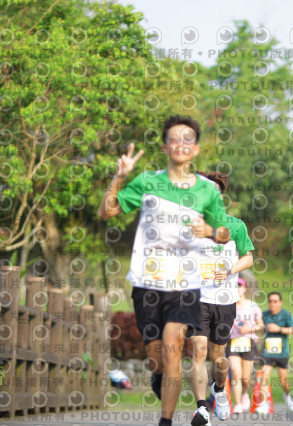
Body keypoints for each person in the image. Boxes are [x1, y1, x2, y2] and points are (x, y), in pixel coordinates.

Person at [97, 115, 229, 426]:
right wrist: (119, 177)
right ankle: (157, 376)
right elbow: (107, 211)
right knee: (157, 358)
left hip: (185, 285)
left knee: (173, 349)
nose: (180, 145)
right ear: (164, 147)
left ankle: (165, 421)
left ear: (195, 149)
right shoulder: (147, 182)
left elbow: (225, 233)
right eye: (174, 139)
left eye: (187, 140)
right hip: (147, 282)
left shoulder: (207, 191)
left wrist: (210, 231)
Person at [189, 172, 255, 426]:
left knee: (219, 358)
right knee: (198, 350)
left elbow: (248, 258)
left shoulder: (235, 226)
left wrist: (228, 271)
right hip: (197, 299)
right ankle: (201, 408)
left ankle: (219, 389)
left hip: (225, 300)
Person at [256, 292, 293, 413]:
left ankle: (288, 396)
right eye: (270, 301)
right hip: (267, 352)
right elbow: (261, 329)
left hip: (282, 352)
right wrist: (258, 337)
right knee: (264, 376)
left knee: (283, 381)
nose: (272, 304)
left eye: (275, 301)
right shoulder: (265, 315)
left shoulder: (286, 314)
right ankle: (264, 403)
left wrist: (279, 329)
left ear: (280, 302)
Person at [227, 278, 264, 414]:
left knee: (246, 377)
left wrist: (249, 329)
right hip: (233, 342)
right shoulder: (228, 306)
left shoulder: (252, 306)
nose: (237, 289)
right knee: (235, 373)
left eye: (239, 286)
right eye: (234, 286)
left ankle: (244, 393)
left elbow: (261, 325)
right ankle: (237, 403)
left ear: (244, 288)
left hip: (249, 341)